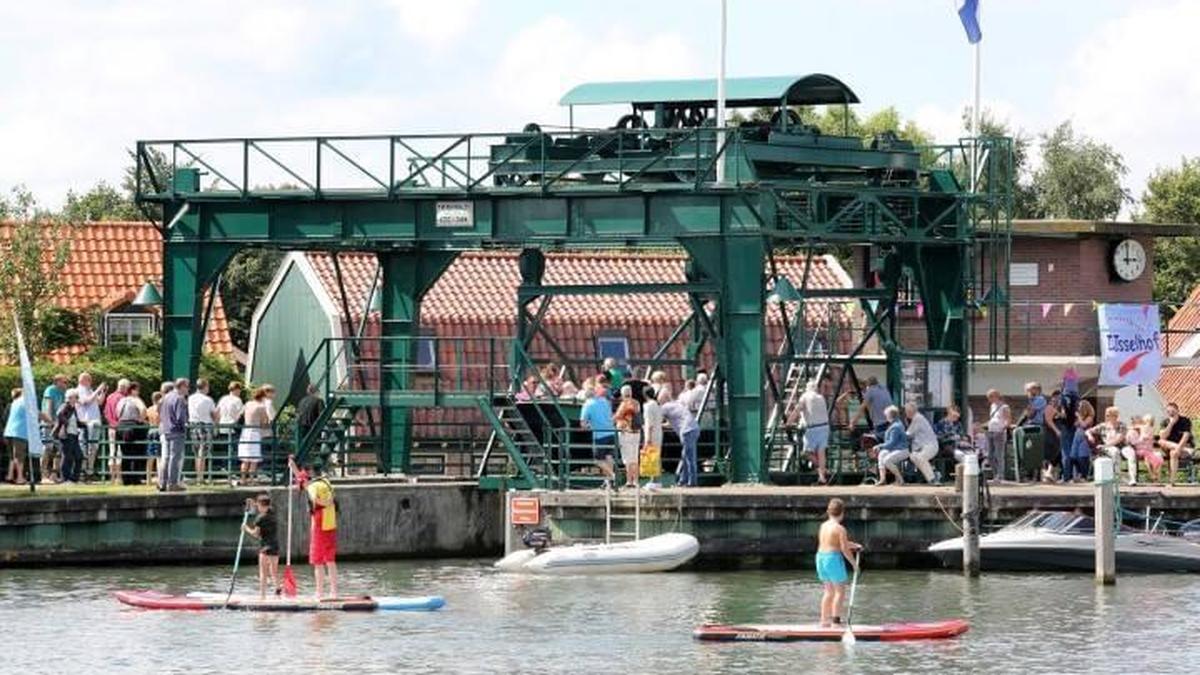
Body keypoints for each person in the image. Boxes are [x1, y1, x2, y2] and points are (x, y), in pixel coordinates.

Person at [289, 455, 338, 600]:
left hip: (319, 525)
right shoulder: (326, 482)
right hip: (331, 524)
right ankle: (334, 592)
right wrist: (293, 467)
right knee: (330, 560)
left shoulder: (313, 487)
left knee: (317, 561)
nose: (301, 483)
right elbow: (303, 480)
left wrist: (326, 502)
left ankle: (319, 593)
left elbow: (316, 499)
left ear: (310, 474)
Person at [816, 498, 861, 628]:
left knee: (828, 591)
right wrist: (854, 564)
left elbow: (832, 542)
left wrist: (855, 545)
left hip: (820, 557)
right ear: (842, 513)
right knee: (839, 591)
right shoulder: (840, 529)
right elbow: (844, 549)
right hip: (832, 559)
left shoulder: (823, 526)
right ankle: (836, 622)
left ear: (828, 512)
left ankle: (824, 621)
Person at [790, 380, 830, 485]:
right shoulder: (821, 398)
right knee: (821, 453)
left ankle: (822, 469)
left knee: (805, 453)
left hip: (812, 428)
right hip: (825, 427)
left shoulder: (805, 396)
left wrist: (789, 422)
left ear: (807, 388)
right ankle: (822, 476)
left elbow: (797, 410)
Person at [242, 494, 281, 599]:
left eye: (258, 506)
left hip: (265, 547)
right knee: (274, 571)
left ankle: (262, 596)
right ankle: (278, 591)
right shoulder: (272, 513)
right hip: (275, 546)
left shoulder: (260, 518)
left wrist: (246, 529)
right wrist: (253, 503)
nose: (257, 508)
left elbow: (255, 534)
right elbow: (264, 505)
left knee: (263, 572)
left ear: (261, 505)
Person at [1087, 406, 1137, 486]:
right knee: (1115, 452)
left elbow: (1119, 439)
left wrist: (1104, 446)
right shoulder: (1103, 426)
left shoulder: (1122, 425)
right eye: (1106, 415)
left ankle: (1132, 479)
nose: (1106, 417)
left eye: (1108, 415)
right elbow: (1088, 431)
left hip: (1122, 446)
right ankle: (1117, 477)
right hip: (1110, 448)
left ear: (1115, 416)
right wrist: (1090, 436)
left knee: (1131, 453)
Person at [580, 384, 616, 488]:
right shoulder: (605, 401)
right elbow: (610, 415)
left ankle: (613, 476)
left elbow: (583, 424)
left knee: (598, 460)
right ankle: (608, 482)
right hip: (611, 432)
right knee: (609, 457)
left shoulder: (587, 405)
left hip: (599, 435)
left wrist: (589, 426)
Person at [158, 378, 189, 492]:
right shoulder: (179, 398)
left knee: (166, 457)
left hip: (166, 430)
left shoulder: (166, 397)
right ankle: (172, 483)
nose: (188, 389)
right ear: (181, 386)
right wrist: (184, 427)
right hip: (176, 431)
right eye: (187, 386)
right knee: (175, 458)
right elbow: (180, 417)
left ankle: (162, 482)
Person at [75, 373, 108, 480]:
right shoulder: (79, 390)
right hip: (86, 423)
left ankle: (90, 470)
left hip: (95, 422)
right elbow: (86, 402)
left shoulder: (89, 390)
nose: (91, 381)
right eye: (89, 380)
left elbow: (99, 402)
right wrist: (98, 389)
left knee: (94, 447)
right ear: (83, 380)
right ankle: (83, 471)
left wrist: (103, 392)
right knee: (84, 447)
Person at [661, 396, 699, 487]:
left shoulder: (665, 407)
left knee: (689, 458)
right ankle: (683, 480)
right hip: (694, 428)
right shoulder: (677, 405)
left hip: (686, 431)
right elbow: (670, 423)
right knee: (685, 456)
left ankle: (692, 482)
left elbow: (657, 418)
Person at [116, 382, 148, 485]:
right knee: (136, 452)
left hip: (121, 426)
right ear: (133, 390)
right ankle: (135, 478)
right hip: (132, 426)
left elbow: (117, 413)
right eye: (137, 390)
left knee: (125, 453)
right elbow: (143, 409)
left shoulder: (122, 400)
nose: (138, 392)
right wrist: (140, 420)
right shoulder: (135, 399)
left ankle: (126, 478)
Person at [239, 386, 273, 485]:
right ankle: (251, 479)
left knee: (245, 458)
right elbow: (264, 421)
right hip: (255, 432)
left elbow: (241, 414)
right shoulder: (261, 407)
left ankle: (242, 479)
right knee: (254, 458)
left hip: (245, 432)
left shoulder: (248, 404)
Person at [186, 378, 217, 484]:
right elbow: (214, 415)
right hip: (205, 425)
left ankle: (198, 475)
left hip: (193, 425)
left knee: (196, 451)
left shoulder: (190, 398)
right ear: (205, 387)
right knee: (203, 452)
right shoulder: (208, 400)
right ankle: (201, 477)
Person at [40, 374, 68, 483]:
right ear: (57, 382)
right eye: (64, 382)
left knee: (59, 449)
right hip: (49, 424)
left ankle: (54, 474)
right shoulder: (50, 390)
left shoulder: (63, 392)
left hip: (58, 425)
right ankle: (43, 474)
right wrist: (50, 422)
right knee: (47, 447)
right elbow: (48, 406)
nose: (66, 384)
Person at [613, 385, 642, 489]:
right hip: (636, 432)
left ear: (622, 394)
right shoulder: (636, 403)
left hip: (626, 433)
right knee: (635, 457)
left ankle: (629, 481)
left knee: (627, 458)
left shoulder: (624, 404)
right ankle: (636, 481)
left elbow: (617, 418)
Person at [904, 403, 940, 484]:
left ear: (910, 411)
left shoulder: (918, 418)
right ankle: (933, 472)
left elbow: (909, 434)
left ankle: (933, 478)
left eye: (906, 411)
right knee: (913, 456)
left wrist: (899, 433)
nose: (905, 413)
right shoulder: (917, 418)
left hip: (930, 446)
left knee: (920, 457)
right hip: (924, 446)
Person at [1159, 402, 1194, 486]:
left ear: (1177, 411)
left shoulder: (1185, 421)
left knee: (1173, 453)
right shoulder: (1165, 422)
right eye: (1168, 412)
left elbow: (1186, 436)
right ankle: (1186, 450)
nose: (1171, 413)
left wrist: (1178, 448)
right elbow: (1163, 437)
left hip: (1183, 446)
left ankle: (1172, 481)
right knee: (1161, 441)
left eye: (1173, 411)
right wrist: (1171, 423)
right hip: (1173, 447)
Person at [216, 382, 245, 476]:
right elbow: (240, 414)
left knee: (224, 449)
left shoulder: (223, 399)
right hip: (232, 427)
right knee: (234, 450)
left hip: (222, 426)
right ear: (237, 390)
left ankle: (224, 467)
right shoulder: (237, 400)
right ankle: (231, 470)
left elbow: (218, 412)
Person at [53, 389, 83, 484]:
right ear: (70, 398)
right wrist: (66, 423)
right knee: (67, 457)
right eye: (76, 397)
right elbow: (59, 414)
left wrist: (85, 424)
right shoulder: (65, 406)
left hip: (73, 435)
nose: (77, 399)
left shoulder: (73, 408)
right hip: (66, 435)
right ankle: (65, 478)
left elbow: (76, 421)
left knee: (79, 456)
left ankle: (74, 478)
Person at [875, 406, 909, 486]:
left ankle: (900, 480)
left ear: (890, 416)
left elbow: (891, 443)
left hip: (902, 450)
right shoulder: (895, 424)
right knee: (882, 454)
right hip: (895, 449)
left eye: (886, 415)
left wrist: (879, 446)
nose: (885, 417)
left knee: (887, 460)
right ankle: (882, 479)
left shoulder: (896, 426)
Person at [103, 379, 129, 484]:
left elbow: (105, 413)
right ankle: (119, 477)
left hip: (111, 427)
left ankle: (111, 478)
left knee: (111, 451)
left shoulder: (109, 397)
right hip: (120, 427)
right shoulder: (123, 398)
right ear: (124, 387)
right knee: (119, 453)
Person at [1064, 400, 1095, 483]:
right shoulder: (1080, 417)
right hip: (1077, 436)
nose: (1079, 409)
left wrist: (1079, 417)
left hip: (1084, 437)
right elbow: (1075, 425)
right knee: (1073, 456)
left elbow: (1084, 425)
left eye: (1080, 407)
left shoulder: (1089, 417)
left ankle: (1084, 475)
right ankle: (1073, 475)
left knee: (1082, 456)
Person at [985, 389, 1011, 481]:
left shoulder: (1004, 407)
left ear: (995, 396)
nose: (989, 399)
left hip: (999, 432)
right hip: (991, 431)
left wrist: (1002, 429)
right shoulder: (992, 406)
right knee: (990, 455)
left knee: (998, 455)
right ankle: (995, 474)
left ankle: (1000, 475)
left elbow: (1008, 420)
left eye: (990, 397)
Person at [1129, 414, 1164, 483]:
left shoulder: (1145, 427)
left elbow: (1133, 427)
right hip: (1143, 449)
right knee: (1151, 458)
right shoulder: (1150, 428)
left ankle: (1154, 476)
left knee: (1151, 458)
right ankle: (1153, 475)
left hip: (1146, 449)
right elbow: (1133, 428)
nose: (1149, 422)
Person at [4, 389, 29, 485]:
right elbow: (36, 413)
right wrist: (49, 420)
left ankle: (10, 476)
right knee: (19, 456)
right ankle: (19, 478)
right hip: (19, 432)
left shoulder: (13, 403)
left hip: (9, 432)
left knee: (12, 456)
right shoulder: (24, 402)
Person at [641, 388, 664, 488]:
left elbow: (649, 423)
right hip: (659, 432)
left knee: (651, 456)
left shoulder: (648, 406)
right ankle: (656, 479)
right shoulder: (657, 405)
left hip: (651, 433)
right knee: (656, 456)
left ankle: (653, 480)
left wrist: (648, 439)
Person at [145, 390, 165, 485]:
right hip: (158, 431)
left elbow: (144, 418)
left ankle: (148, 479)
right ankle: (159, 478)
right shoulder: (160, 409)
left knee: (150, 456)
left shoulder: (148, 409)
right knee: (159, 456)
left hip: (150, 430)